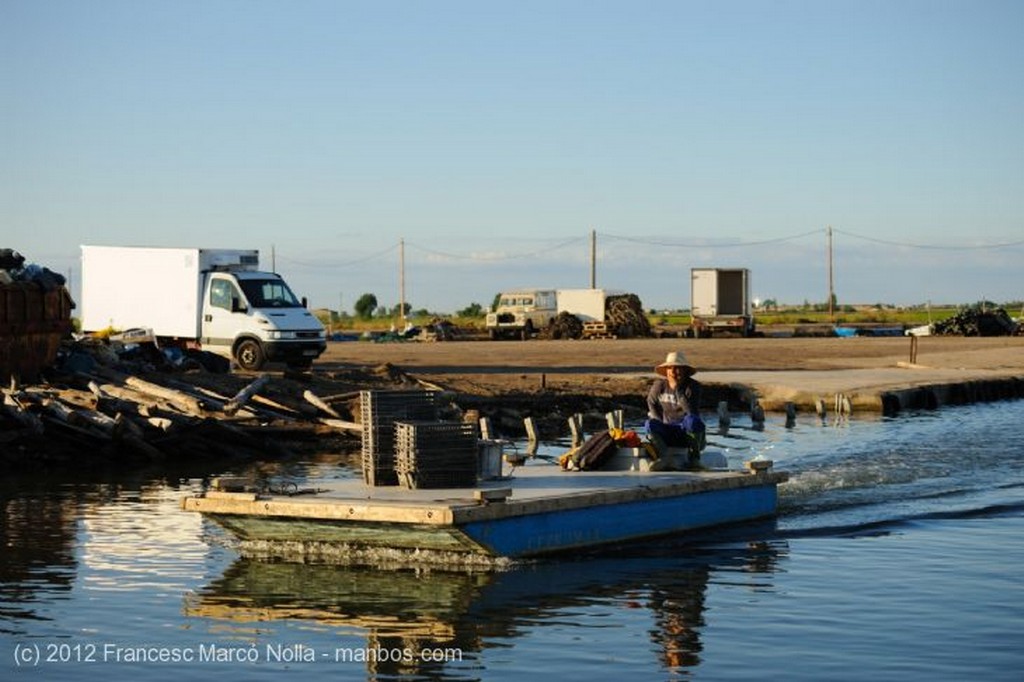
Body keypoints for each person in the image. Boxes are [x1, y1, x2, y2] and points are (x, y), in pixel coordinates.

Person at [645, 351, 706, 469]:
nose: (673, 372)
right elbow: (651, 402)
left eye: (677, 368)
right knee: (650, 424)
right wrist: (659, 421)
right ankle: (663, 458)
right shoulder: (660, 385)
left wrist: (678, 390)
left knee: (692, 420)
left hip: (687, 432)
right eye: (670, 368)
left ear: (684, 371)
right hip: (668, 430)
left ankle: (694, 459)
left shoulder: (693, 387)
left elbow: (691, 412)